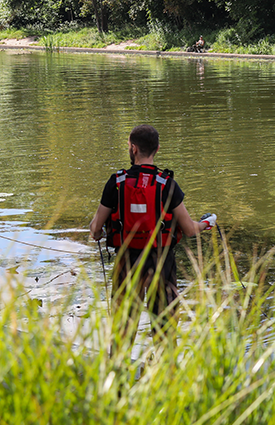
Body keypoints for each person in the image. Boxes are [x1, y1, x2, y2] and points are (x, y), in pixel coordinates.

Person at [89, 125, 216, 352]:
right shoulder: (167, 184)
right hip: (161, 261)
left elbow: (95, 228)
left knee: (123, 328)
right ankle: (165, 377)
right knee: (165, 328)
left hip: (127, 261)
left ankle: (117, 379)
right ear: (156, 149)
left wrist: (100, 233)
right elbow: (188, 229)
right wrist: (207, 223)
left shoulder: (116, 182)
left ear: (133, 148)